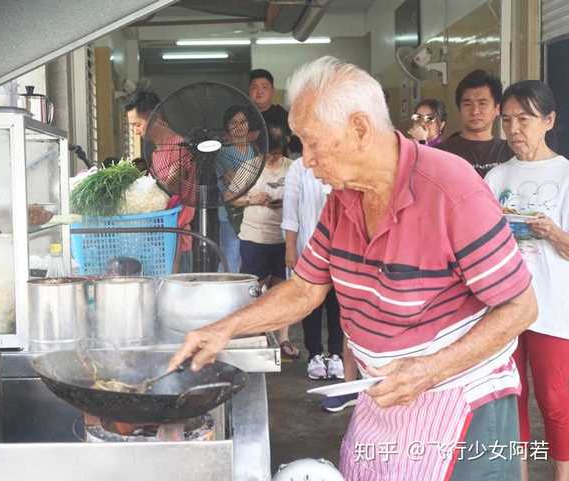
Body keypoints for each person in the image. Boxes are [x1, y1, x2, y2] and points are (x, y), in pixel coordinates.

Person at [169, 56, 538, 481]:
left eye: (312, 142)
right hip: (381, 393)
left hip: (462, 400)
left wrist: (429, 370)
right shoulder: (342, 200)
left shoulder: (451, 190)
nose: (305, 160)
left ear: (360, 129)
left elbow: (520, 308)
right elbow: (306, 288)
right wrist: (226, 329)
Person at [484, 80, 569, 481]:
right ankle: (516, 475)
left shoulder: (566, 175)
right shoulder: (496, 178)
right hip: (504, 308)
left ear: (548, 120)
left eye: (525, 118)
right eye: (507, 120)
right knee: (511, 397)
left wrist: (552, 232)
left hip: (553, 308)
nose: (514, 128)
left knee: (556, 401)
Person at [234, 125, 298, 360]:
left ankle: (283, 339)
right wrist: (252, 199)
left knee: (282, 290)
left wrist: (285, 202)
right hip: (254, 237)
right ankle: (256, 334)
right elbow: (232, 198)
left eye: (277, 153)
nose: (272, 158)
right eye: (269, 153)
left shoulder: (293, 169)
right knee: (255, 288)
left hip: (283, 238)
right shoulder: (250, 167)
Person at [282, 157, 344, 377]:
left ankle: (337, 354)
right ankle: (315, 354)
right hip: (308, 247)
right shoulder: (299, 167)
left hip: (342, 248)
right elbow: (290, 213)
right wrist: (290, 248)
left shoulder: (344, 162)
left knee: (339, 304)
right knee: (311, 303)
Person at [124, 89, 194, 272]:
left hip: (177, 240)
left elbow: (172, 189)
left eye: (137, 124)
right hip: (160, 239)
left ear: (154, 117)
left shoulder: (181, 147)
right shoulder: (156, 152)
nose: (135, 131)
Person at [437, 69, 513, 177]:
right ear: (459, 109)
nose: (475, 111)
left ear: (497, 109)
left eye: (482, 103)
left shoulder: (511, 153)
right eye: (467, 104)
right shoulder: (440, 154)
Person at [216, 105, 258, 273]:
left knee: (246, 258)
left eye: (243, 122)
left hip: (251, 210)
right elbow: (233, 179)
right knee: (230, 256)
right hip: (230, 213)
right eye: (234, 123)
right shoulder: (222, 152)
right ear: (227, 126)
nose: (239, 127)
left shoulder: (253, 149)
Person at [249, 68, 301, 155]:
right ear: (249, 91)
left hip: (278, 166)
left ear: (273, 91)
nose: (259, 91)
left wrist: (283, 138)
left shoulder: (284, 115)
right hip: (248, 166)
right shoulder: (241, 116)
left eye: (264, 87)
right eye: (254, 87)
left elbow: (298, 145)